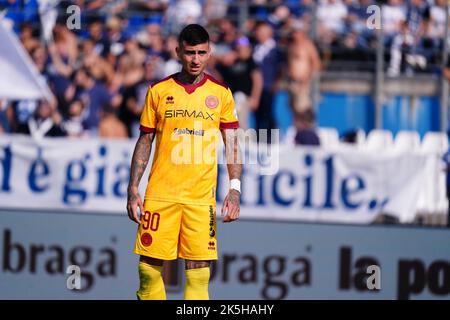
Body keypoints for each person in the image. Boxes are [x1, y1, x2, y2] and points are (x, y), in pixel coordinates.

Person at [126, 24, 242, 300]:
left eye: (201, 53)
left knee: (199, 276)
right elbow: (144, 141)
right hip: (160, 195)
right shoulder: (158, 90)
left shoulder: (222, 93)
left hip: (200, 198)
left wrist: (235, 188)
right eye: (190, 52)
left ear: (209, 53)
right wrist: (133, 189)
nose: (196, 59)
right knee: (148, 272)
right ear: (178, 52)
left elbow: (233, 144)